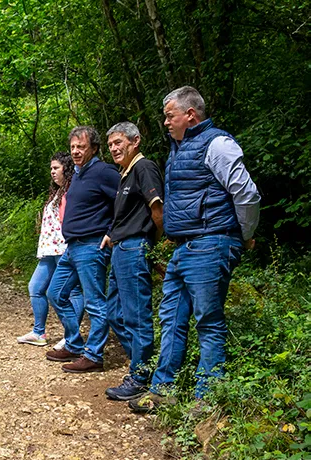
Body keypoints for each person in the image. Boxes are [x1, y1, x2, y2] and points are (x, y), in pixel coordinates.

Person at [130, 86, 260, 413]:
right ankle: (162, 390)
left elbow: (246, 193)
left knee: (208, 321)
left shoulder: (217, 143)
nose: (164, 122)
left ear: (190, 115)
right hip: (184, 248)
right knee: (171, 318)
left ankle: (208, 397)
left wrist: (244, 234)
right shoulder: (179, 148)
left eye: (169, 115)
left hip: (212, 242)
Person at [46, 127, 120, 373]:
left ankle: (94, 356)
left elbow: (124, 203)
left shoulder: (104, 172)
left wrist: (111, 231)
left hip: (92, 245)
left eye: (81, 147)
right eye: (73, 147)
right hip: (73, 246)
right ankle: (75, 343)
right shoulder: (77, 174)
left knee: (95, 304)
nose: (76, 151)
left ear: (95, 148)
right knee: (55, 293)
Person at [101, 122, 164, 401]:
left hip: (135, 247)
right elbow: (127, 215)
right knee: (114, 312)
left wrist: (152, 244)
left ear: (135, 141)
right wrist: (111, 235)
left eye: (119, 142)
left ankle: (140, 376)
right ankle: (143, 363)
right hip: (120, 248)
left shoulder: (144, 167)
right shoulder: (124, 174)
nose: (114, 148)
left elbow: (157, 210)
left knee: (137, 316)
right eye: (111, 144)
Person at [16, 153, 85, 346]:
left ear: (67, 168)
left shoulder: (72, 190)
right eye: (51, 169)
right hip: (48, 249)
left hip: (64, 247)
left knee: (72, 292)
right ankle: (39, 332)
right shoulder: (57, 192)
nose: (52, 172)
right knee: (36, 288)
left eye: (56, 168)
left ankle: (71, 336)